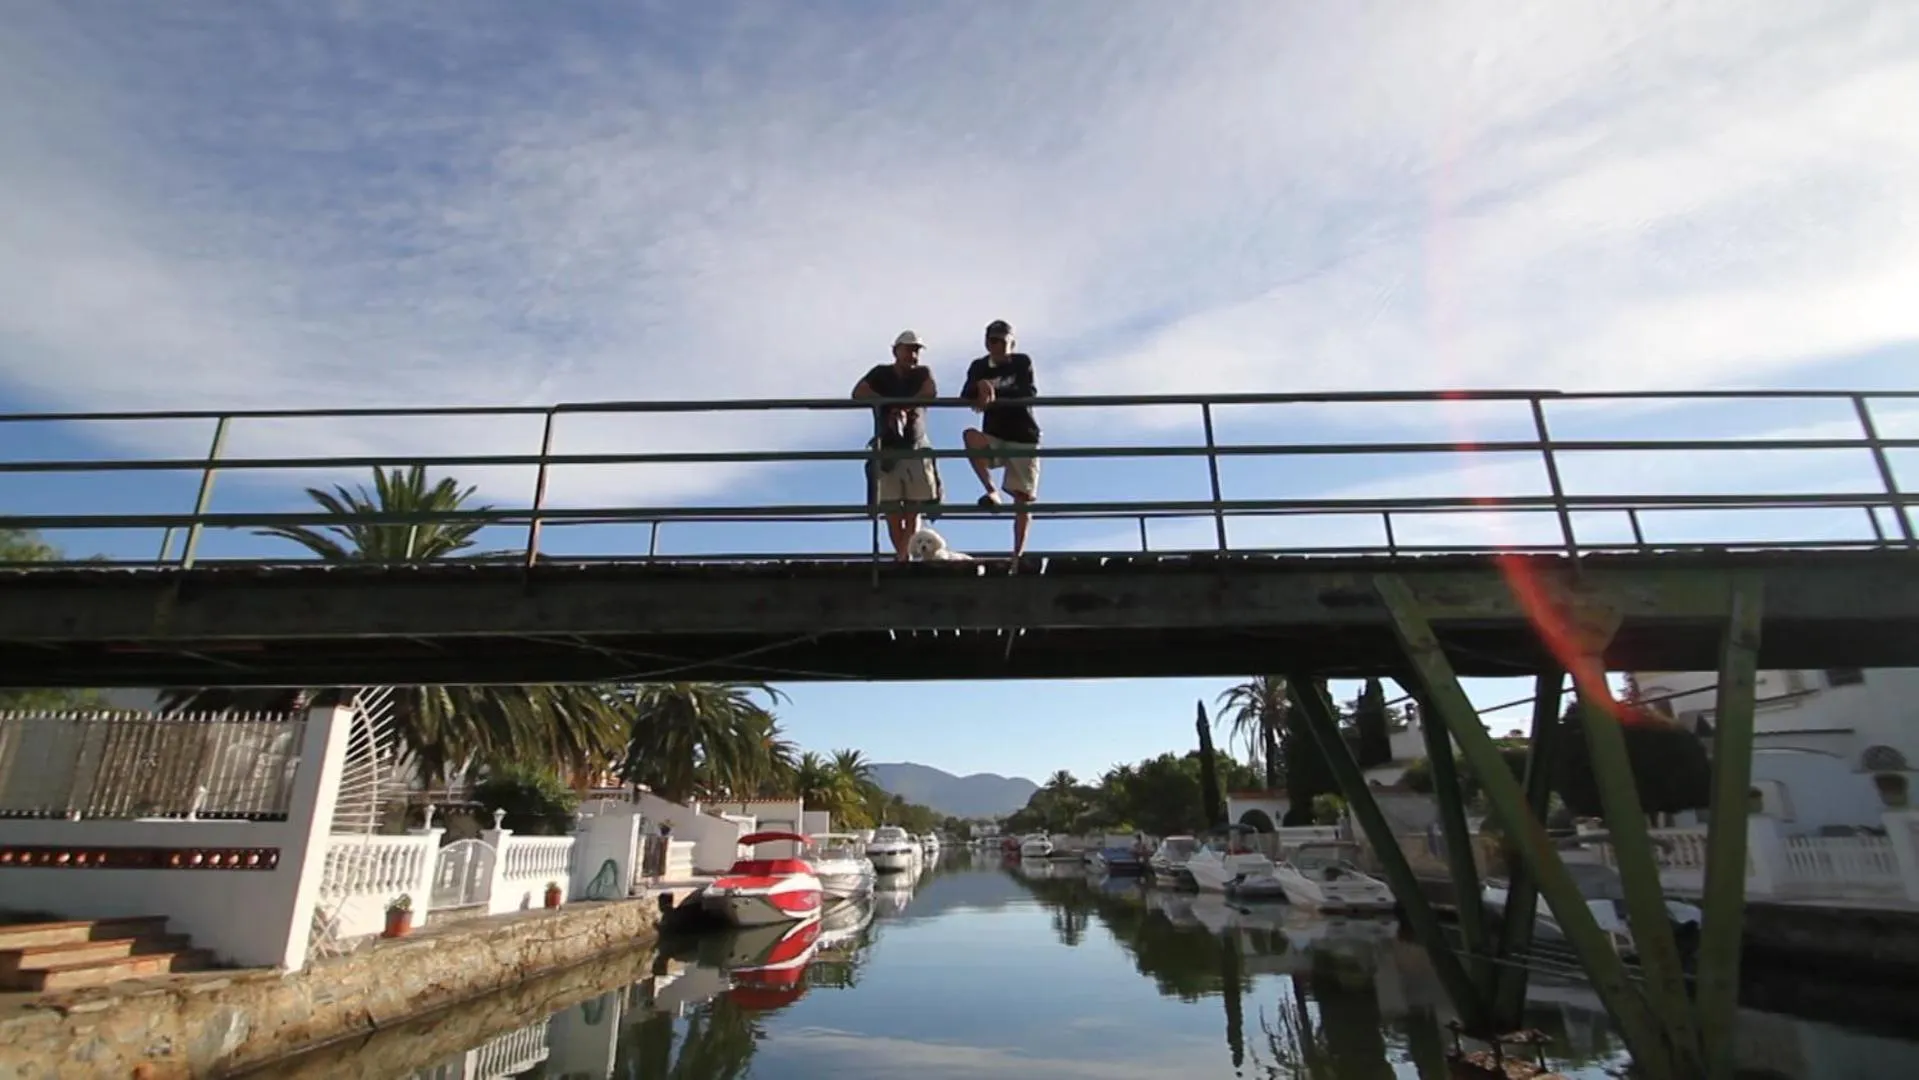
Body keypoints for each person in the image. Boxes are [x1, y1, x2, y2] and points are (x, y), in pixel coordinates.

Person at [853, 330, 940, 561]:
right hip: (888, 447)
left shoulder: (922, 373)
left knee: (913, 509)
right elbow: (858, 392)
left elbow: (930, 391)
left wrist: (904, 406)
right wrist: (889, 405)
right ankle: (903, 556)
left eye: (916, 350)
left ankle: (903, 557)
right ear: (896, 350)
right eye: (909, 349)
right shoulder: (881, 373)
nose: (913, 354)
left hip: (914, 445)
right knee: (892, 511)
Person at [961, 319, 1041, 558]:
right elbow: (966, 394)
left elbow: (1028, 392)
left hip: (1023, 435)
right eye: (994, 341)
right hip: (994, 433)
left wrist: (994, 394)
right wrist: (980, 385)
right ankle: (991, 491)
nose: (999, 346)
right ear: (987, 343)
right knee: (970, 437)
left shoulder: (1021, 362)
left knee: (1023, 498)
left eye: (1004, 341)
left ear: (1012, 343)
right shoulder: (979, 366)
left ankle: (1017, 554)